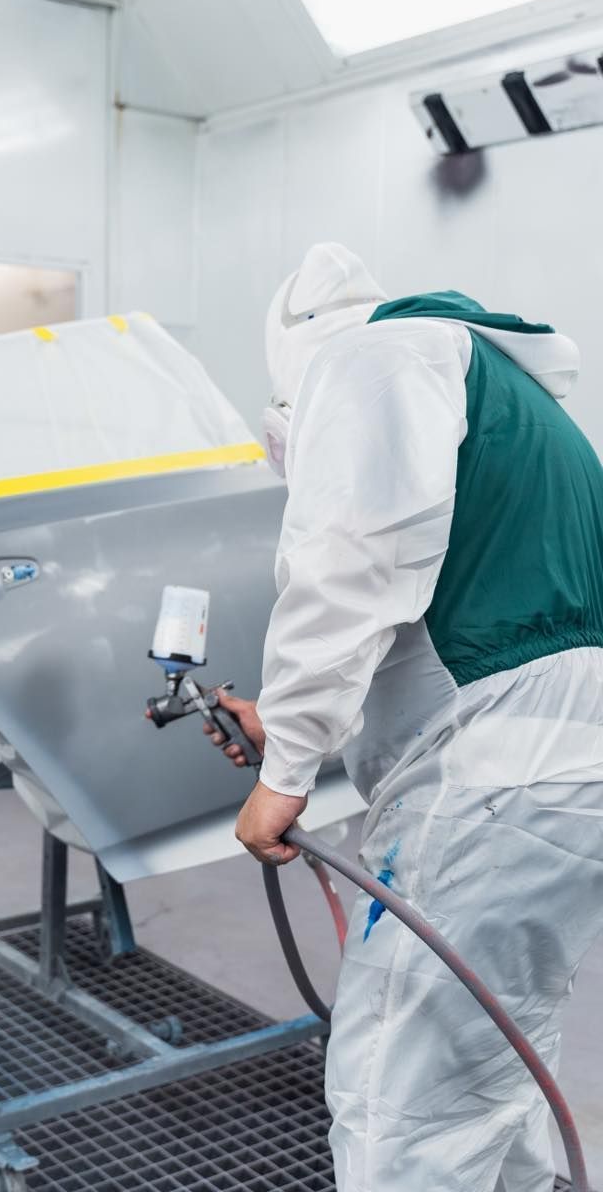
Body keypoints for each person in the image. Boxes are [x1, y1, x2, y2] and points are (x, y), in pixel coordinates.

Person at [209, 242, 603, 1192]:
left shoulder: (375, 361)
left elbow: (353, 565)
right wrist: (298, 729)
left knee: (401, 1097)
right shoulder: (505, 389)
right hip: (556, 776)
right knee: (487, 1061)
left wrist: (286, 773)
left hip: (493, 787)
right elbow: (449, 630)